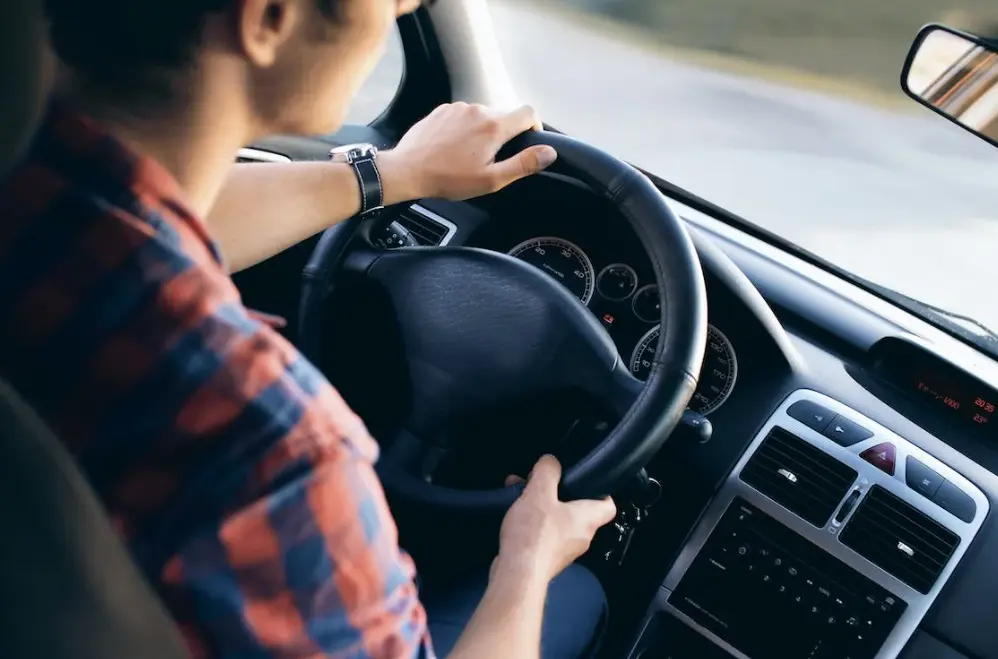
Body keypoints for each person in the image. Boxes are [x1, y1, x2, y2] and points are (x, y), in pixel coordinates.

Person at [0, 0, 618, 658]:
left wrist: (397, 173)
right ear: (267, 17)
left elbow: (157, 219)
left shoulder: (35, 194)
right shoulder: (267, 446)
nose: (406, 5)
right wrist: (525, 560)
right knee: (574, 593)